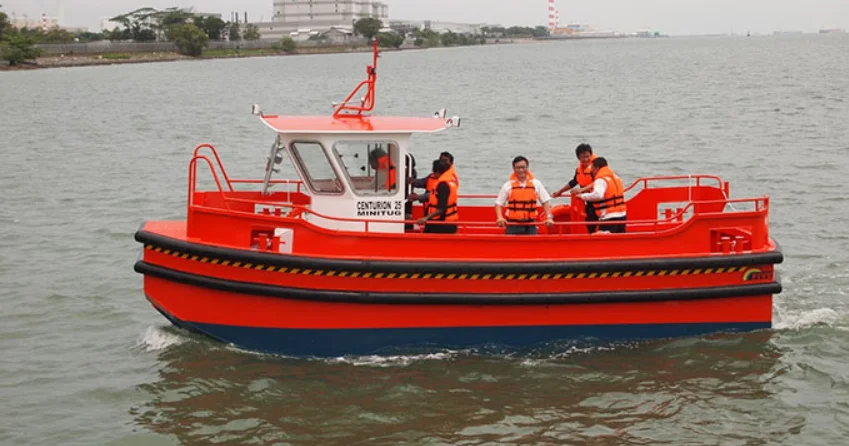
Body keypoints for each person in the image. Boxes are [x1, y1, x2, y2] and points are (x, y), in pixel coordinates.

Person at [495, 156, 555, 235]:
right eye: (518, 167)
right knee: (511, 247)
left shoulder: (536, 184)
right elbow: (498, 203)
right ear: (514, 168)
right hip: (512, 224)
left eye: (523, 167)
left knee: (532, 247)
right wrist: (500, 217)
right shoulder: (507, 185)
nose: (521, 170)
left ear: (527, 168)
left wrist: (549, 217)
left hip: (530, 224)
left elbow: (545, 201)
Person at [553, 143, 599, 233]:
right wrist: (559, 192)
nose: (585, 159)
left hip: (600, 201)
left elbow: (599, 182)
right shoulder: (579, 170)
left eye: (587, 156)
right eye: (583, 157)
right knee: (590, 224)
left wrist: (582, 190)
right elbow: (573, 182)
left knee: (599, 225)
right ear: (578, 158)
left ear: (591, 155)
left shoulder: (596, 168)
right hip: (589, 202)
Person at [574, 157, 627, 233]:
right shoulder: (616, 178)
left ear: (597, 168)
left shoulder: (601, 180)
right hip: (622, 216)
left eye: (592, 168)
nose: (591, 171)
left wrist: (582, 196)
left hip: (609, 217)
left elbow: (598, 195)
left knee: (605, 243)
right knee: (619, 242)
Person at [416, 160, 459, 234]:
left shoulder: (443, 185)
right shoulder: (449, 181)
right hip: (443, 222)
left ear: (438, 172)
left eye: (433, 172)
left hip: (442, 224)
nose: (433, 174)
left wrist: (425, 218)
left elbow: (442, 209)